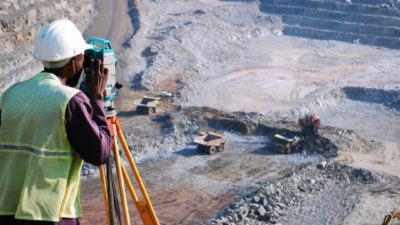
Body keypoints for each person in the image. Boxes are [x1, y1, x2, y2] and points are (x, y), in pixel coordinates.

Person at [0, 20, 113, 225]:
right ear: (73, 62)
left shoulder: (11, 94)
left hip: (7, 211)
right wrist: (96, 98)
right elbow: (100, 153)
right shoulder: (70, 101)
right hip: (50, 215)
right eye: (81, 58)